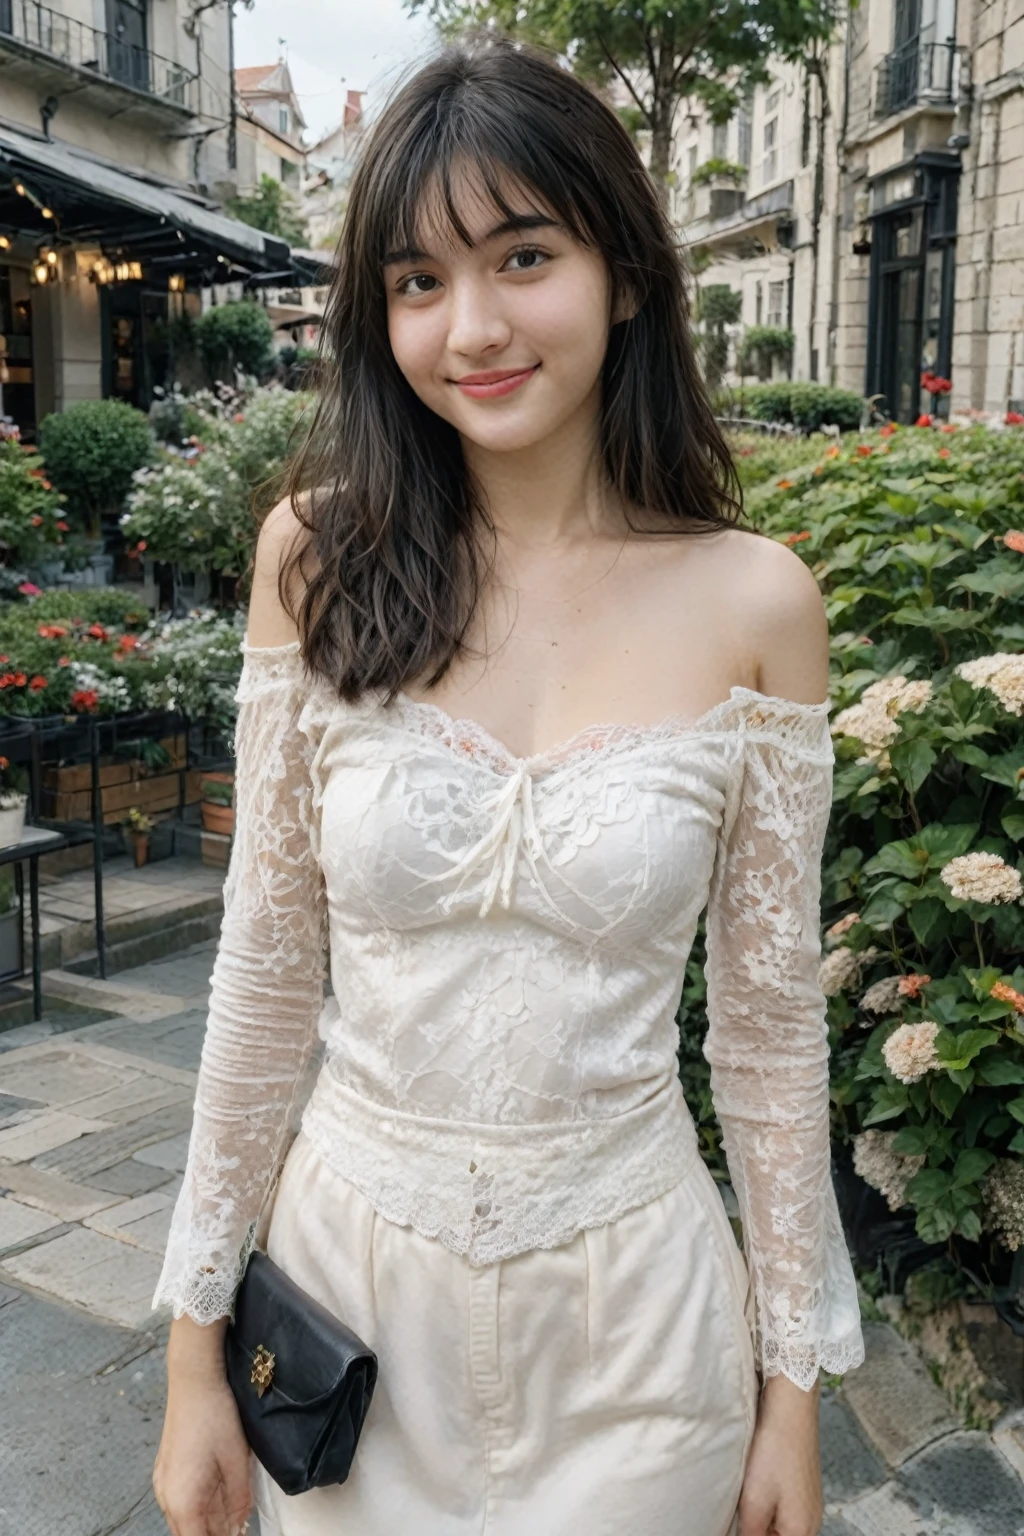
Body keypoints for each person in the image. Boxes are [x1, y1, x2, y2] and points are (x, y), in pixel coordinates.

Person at [151, 34, 865, 1536]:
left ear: (622, 270)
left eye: (520, 255)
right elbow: (267, 975)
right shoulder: (317, 560)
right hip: (349, 1311)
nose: (469, 325)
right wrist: (192, 1356)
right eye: (415, 280)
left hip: (639, 1331)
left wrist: (795, 1391)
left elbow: (770, 1027)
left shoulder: (756, 603)